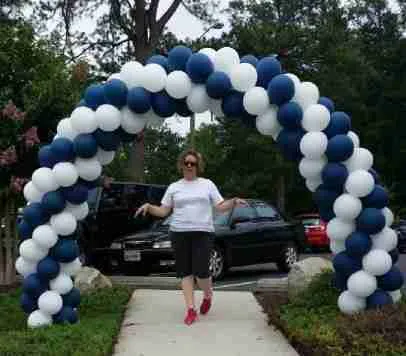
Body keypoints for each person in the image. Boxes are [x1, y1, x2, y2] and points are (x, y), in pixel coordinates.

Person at [135, 148, 247, 325]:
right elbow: (164, 211)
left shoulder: (207, 184)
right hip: (179, 232)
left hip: (203, 232)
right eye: (186, 163)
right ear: (181, 165)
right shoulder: (174, 187)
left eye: (192, 163)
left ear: (197, 166)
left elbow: (219, 206)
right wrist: (149, 207)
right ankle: (190, 309)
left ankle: (208, 295)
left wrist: (233, 202)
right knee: (185, 272)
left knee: (202, 271)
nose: (189, 166)